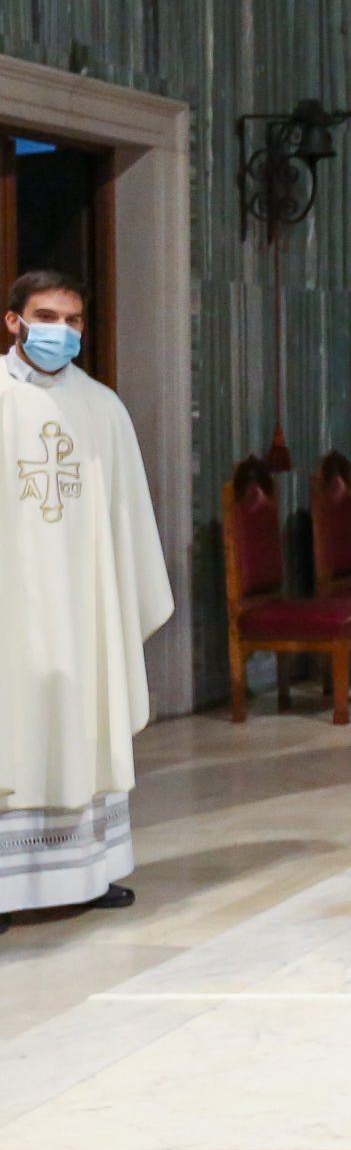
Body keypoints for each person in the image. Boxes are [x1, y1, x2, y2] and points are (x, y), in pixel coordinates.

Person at [0, 271, 171, 934]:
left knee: (84, 722)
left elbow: (127, 519)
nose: (61, 332)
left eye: (73, 320)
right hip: (12, 608)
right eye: (46, 316)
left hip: (83, 608)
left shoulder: (101, 408)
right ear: (13, 320)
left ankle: (90, 874)